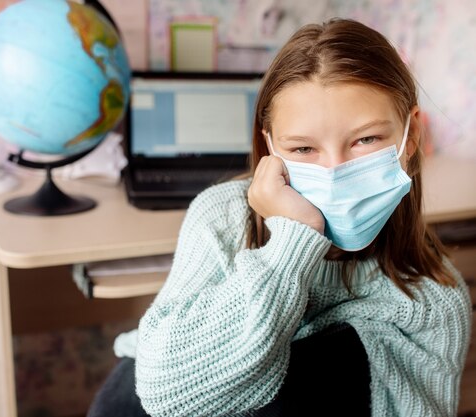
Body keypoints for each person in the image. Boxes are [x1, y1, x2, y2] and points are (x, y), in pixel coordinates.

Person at [88, 18, 472, 417]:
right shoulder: (221, 217)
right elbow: (166, 392)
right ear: (269, 145)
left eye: (365, 140)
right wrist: (293, 240)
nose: (334, 171)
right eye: (304, 149)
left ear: (409, 139)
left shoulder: (433, 299)